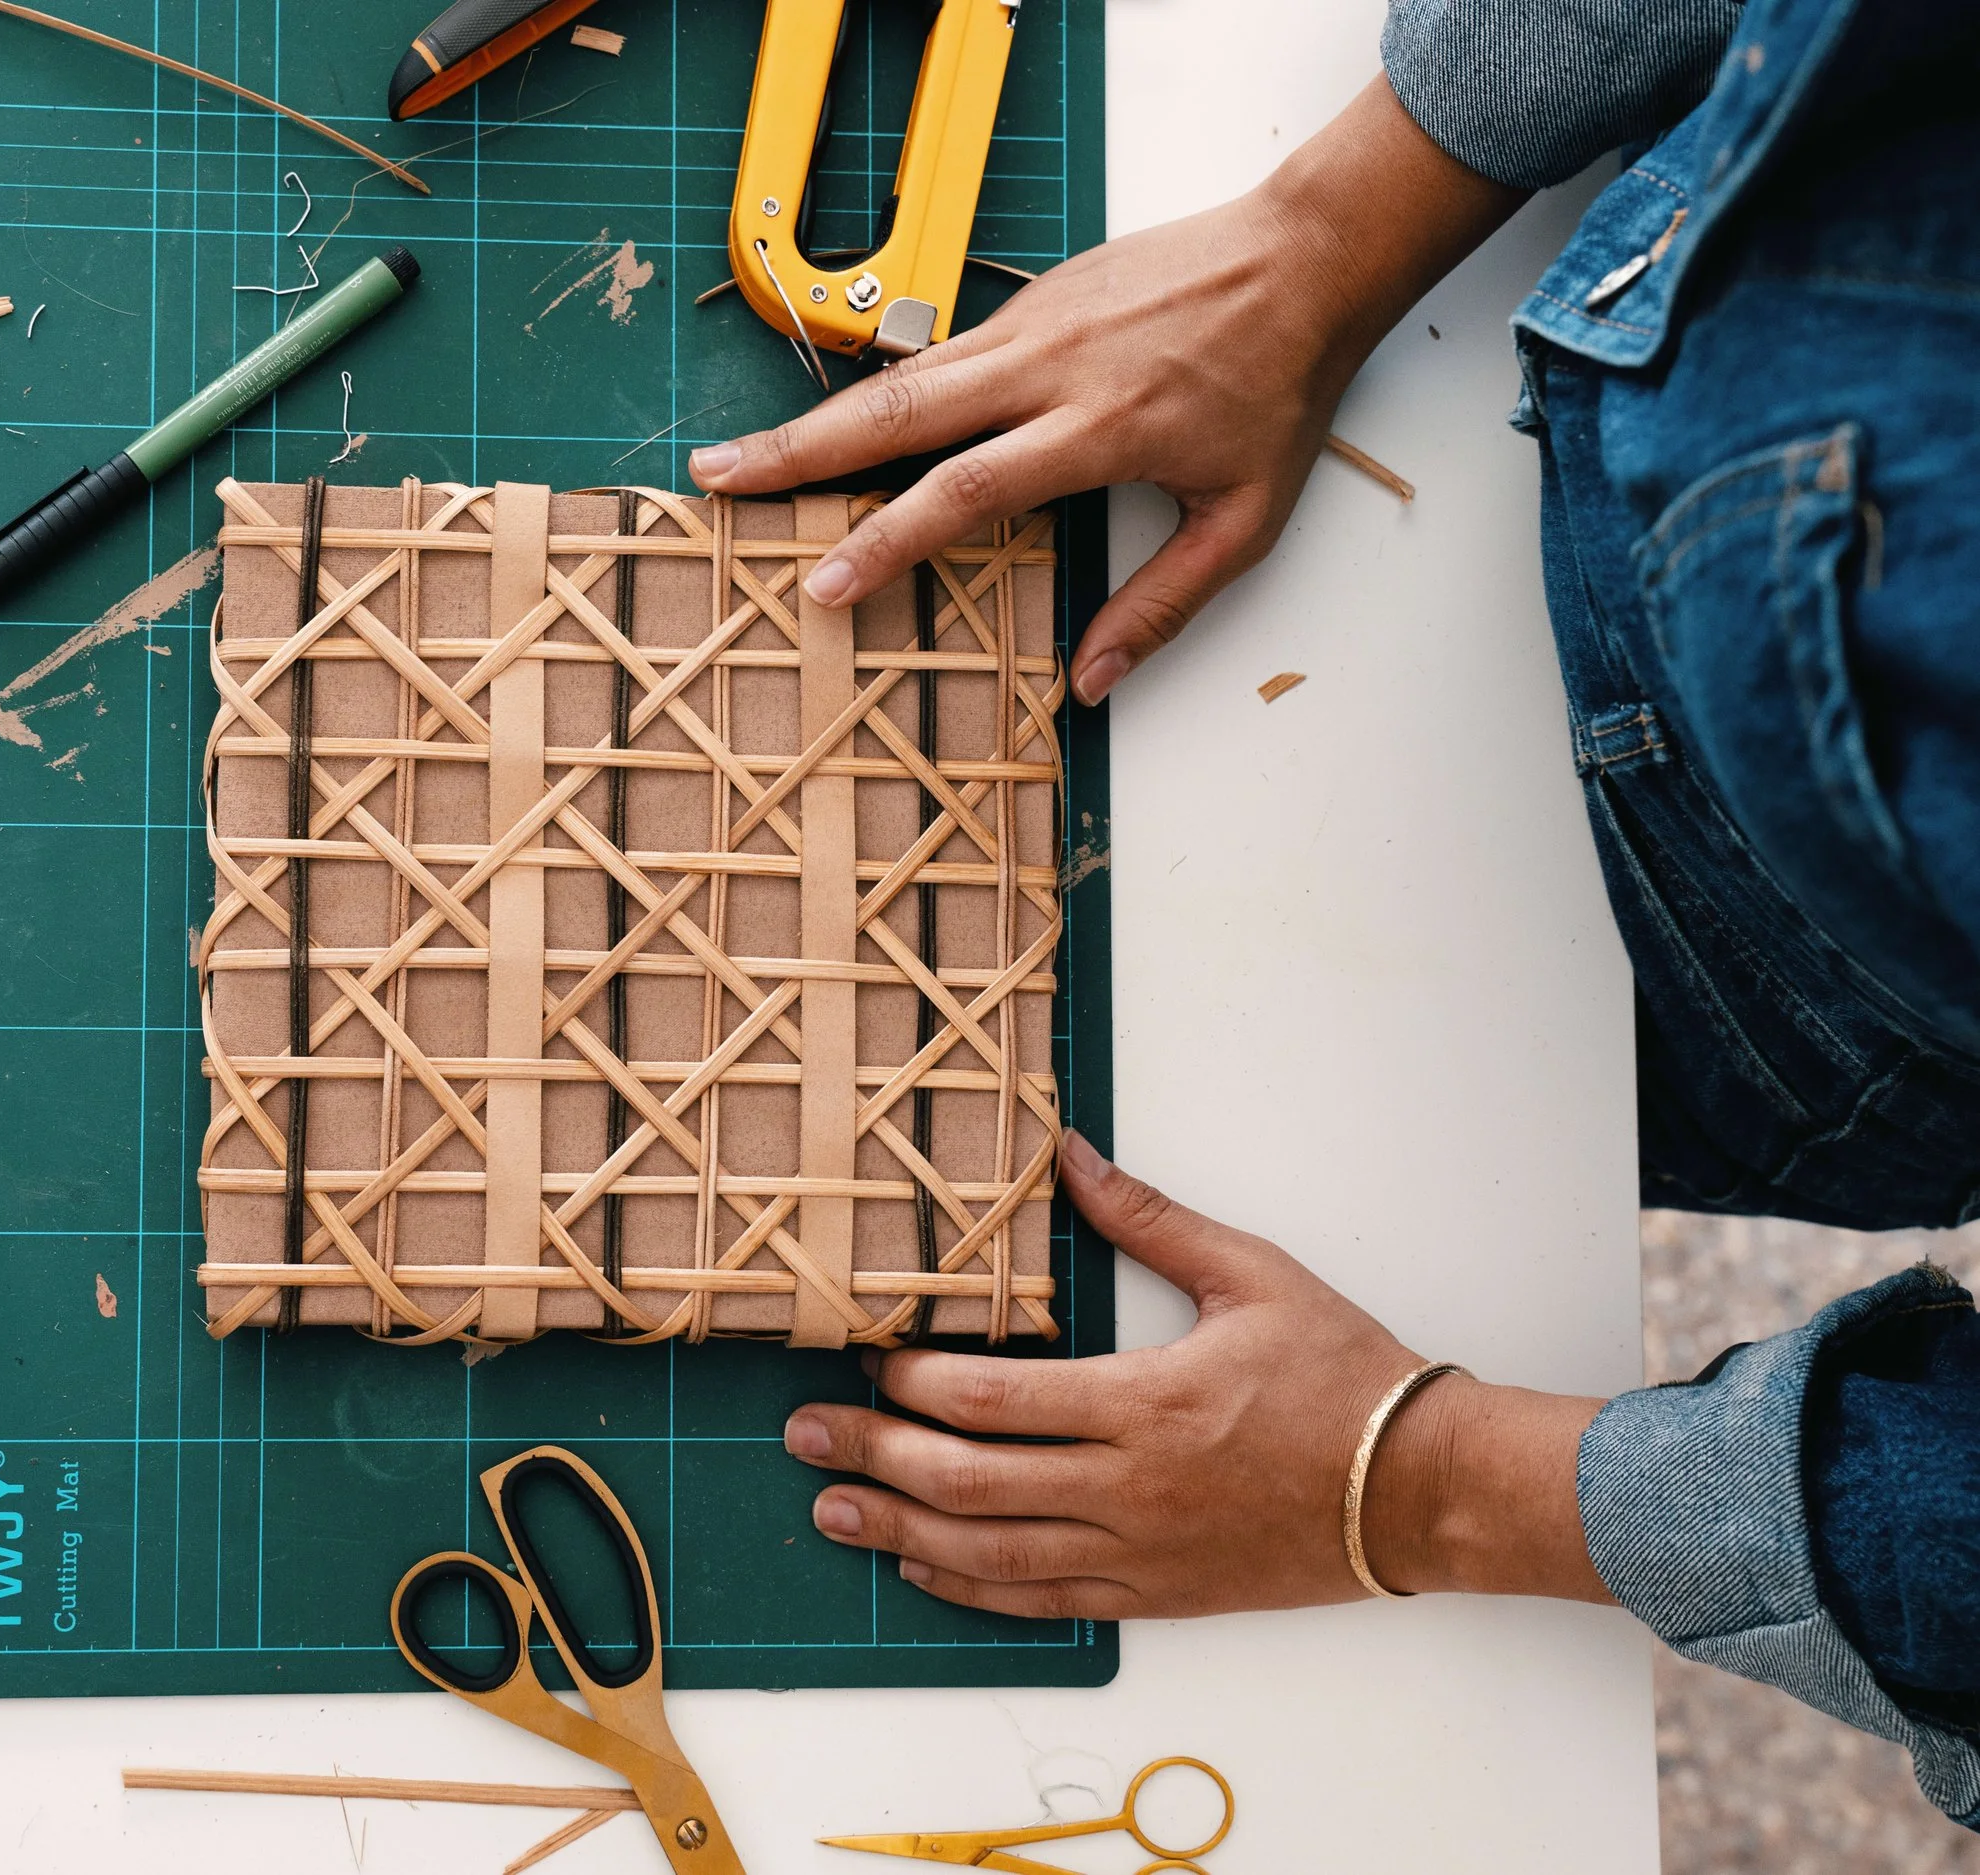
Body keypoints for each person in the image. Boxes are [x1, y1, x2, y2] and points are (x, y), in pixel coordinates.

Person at [695, 0, 1980, 1828]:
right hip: (1535, 465)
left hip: (1794, 1019)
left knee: (1402, 1137)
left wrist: (1428, 1480)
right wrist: (1346, 218)